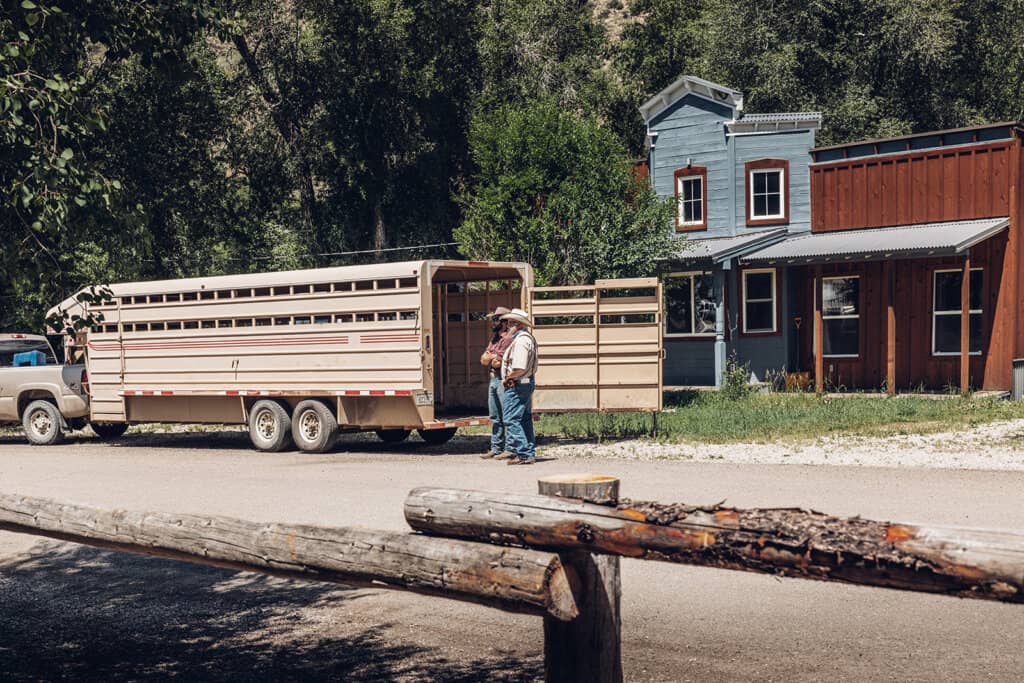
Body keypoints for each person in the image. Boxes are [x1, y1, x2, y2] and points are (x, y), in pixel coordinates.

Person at [499, 308, 538, 465]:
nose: (508, 325)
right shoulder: (528, 339)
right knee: (524, 419)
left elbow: (519, 367)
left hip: (518, 383)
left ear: (518, 324)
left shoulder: (521, 341)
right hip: (525, 382)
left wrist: (508, 378)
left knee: (510, 419)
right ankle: (528, 452)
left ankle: (523, 453)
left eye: (511, 322)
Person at [479, 306, 513, 459]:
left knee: (506, 415)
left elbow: (497, 363)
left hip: (502, 379)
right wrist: (491, 358)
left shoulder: (507, 339)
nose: (492, 322)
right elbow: (484, 360)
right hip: (494, 380)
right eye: (492, 319)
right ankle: (496, 447)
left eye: (495, 319)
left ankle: (509, 448)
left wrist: (491, 357)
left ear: (505, 322)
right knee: (495, 416)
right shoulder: (494, 339)